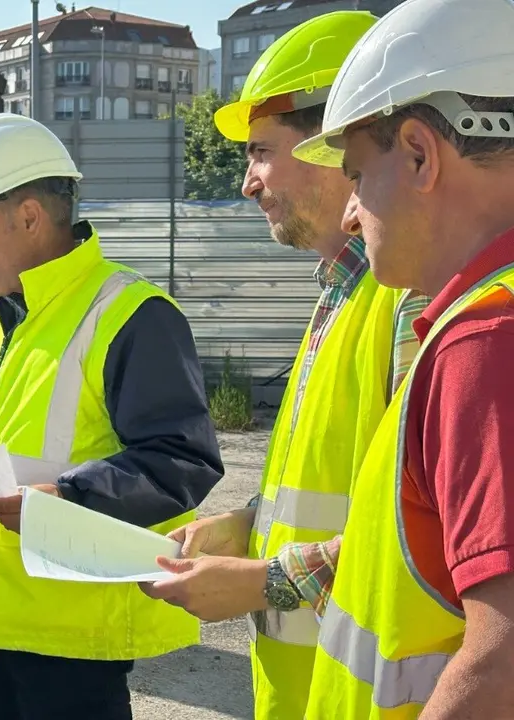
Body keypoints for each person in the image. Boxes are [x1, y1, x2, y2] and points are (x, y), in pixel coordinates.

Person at [135, 12, 429, 720]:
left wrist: (262, 582)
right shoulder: (341, 289)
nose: (247, 183)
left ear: (335, 145)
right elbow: (335, 483)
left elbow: (425, 529)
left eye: (260, 153)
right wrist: (249, 524)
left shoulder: (411, 299)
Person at [0, 112, 224, 719]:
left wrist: (64, 496)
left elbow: (182, 461)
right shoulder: (2, 314)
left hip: (69, 642)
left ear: (30, 216)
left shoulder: (133, 313)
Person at [286, 0, 514, 715]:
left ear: (419, 154)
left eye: (356, 177)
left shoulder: (485, 339)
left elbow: (502, 662)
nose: (352, 213)